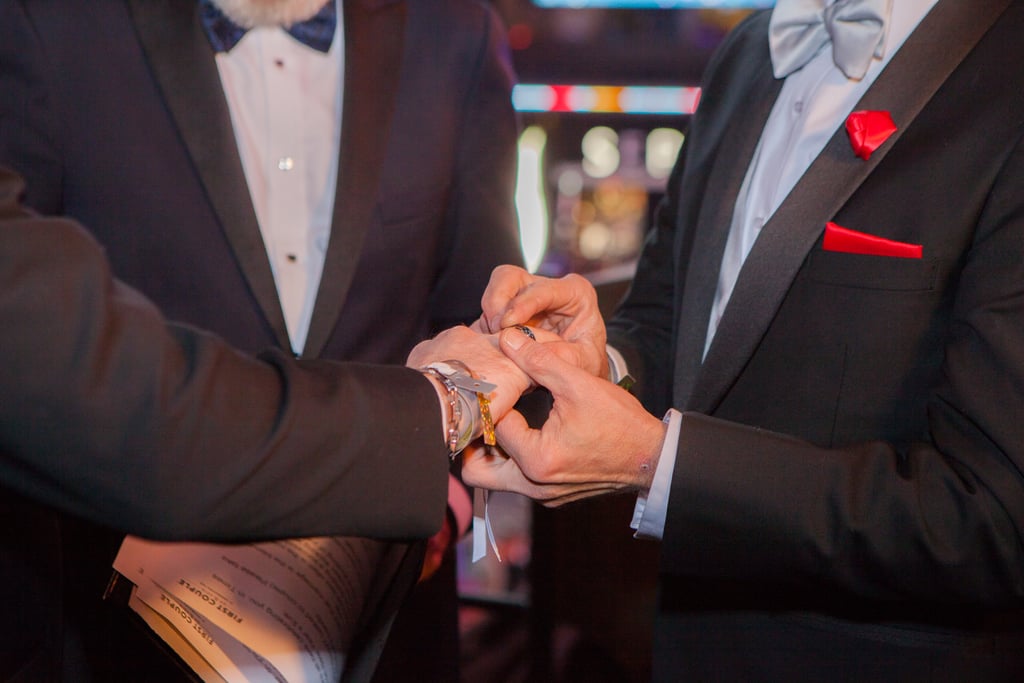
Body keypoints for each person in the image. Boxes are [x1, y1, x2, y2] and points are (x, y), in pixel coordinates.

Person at [468, 0, 1024, 679]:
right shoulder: (747, 53)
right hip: (684, 647)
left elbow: (993, 517)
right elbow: (672, 324)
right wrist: (596, 364)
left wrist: (659, 464)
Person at [0, 0, 521, 679]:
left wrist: (448, 497)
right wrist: (429, 413)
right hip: (116, 634)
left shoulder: (456, 29)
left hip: (390, 629)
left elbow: (483, 320)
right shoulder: (46, 23)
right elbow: (40, 361)